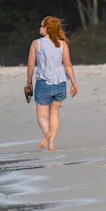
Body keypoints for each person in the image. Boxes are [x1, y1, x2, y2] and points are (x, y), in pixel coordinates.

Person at [26, 16, 79, 151]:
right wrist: (74, 84)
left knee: (41, 115)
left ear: (47, 28)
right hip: (60, 83)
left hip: (43, 83)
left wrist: (29, 82)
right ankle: (52, 144)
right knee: (54, 113)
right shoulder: (62, 44)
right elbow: (67, 65)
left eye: (41, 25)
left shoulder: (36, 43)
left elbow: (31, 65)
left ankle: (46, 133)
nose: (40, 28)